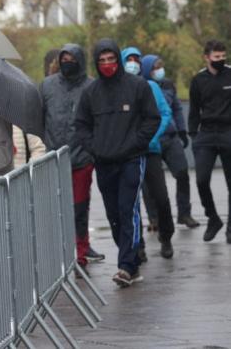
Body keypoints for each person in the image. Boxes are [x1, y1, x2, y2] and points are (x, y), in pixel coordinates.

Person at [74, 38, 160, 287]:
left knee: (127, 209)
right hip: (104, 162)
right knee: (114, 214)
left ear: (118, 60)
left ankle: (126, 266)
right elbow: (81, 125)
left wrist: (137, 143)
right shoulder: (91, 92)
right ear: (96, 62)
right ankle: (130, 255)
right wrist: (94, 148)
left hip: (132, 159)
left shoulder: (137, 86)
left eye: (111, 59)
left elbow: (151, 119)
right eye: (102, 60)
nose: (107, 64)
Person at [40, 43, 105, 270]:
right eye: (64, 58)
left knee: (79, 207)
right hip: (54, 157)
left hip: (81, 158)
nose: (68, 62)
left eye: (72, 59)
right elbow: (41, 117)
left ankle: (81, 250)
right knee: (56, 207)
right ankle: (59, 250)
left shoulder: (91, 86)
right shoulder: (47, 86)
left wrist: (91, 150)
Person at [121, 47, 175, 259]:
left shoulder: (151, 86)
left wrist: (150, 138)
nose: (133, 63)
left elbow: (165, 113)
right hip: (128, 153)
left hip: (150, 150)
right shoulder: (119, 89)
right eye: (129, 60)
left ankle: (166, 236)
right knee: (132, 201)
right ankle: (138, 244)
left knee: (160, 196)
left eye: (136, 60)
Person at [141, 54, 199, 228]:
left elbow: (176, 108)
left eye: (160, 67)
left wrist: (182, 131)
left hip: (171, 137)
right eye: (155, 68)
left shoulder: (168, 84)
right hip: (151, 140)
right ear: (147, 70)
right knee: (151, 182)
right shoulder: (140, 87)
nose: (159, 71)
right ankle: (154, 218)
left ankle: (184, 213)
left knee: (182, 173)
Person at [189, 39, 231, 242]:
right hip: (206, 134)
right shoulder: (198, 80)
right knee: (201, 180)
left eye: (223, 57)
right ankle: (213, 218)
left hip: (228, 132)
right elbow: (194, 110)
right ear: (206, 58)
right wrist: (193, 135)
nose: (221, 60)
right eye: (217, 57)